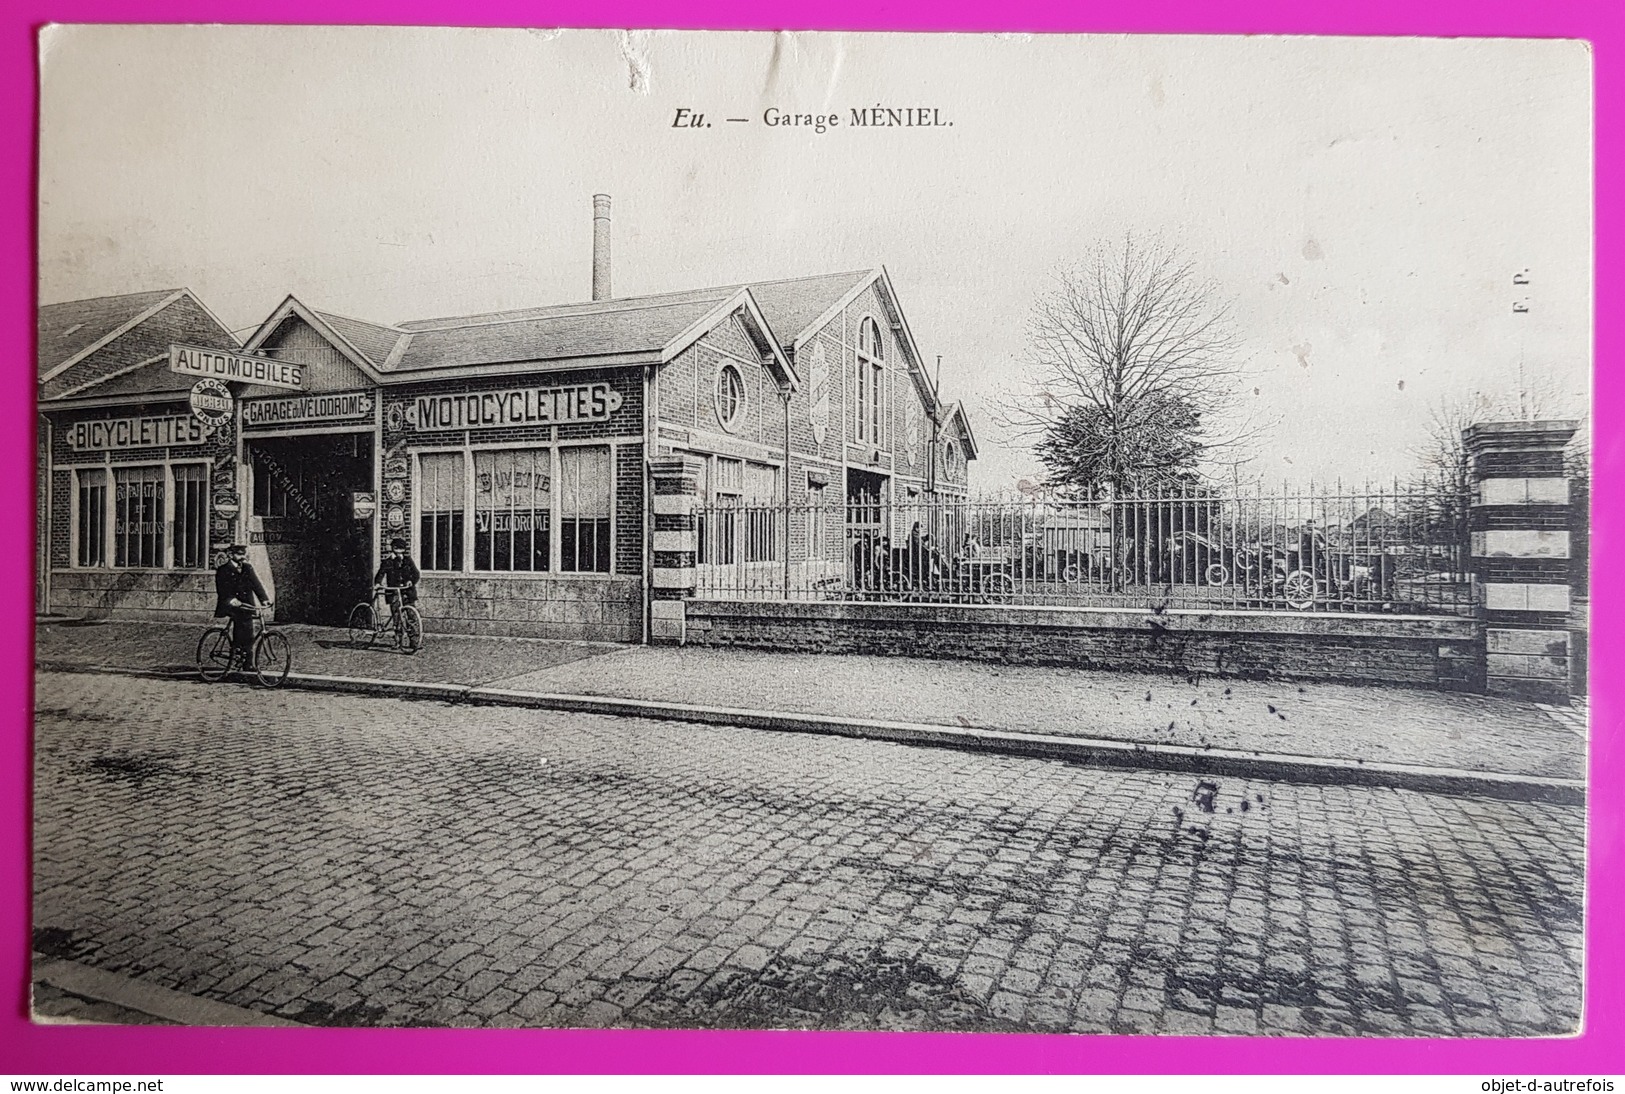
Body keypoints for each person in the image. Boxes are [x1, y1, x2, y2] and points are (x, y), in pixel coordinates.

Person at [215, 544, 272, 663]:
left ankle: (247, 661)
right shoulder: (223, 569)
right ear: (231, 555)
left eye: (243, 554)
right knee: (241, 626)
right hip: (231, 604)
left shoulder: (247, 568)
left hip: (246, 603)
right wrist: (230, 599)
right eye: (239, 554)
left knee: (249, 632)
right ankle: (237, 652)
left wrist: (264, 599)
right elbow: (222, 588)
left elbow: (256, 584)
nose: (242, 557)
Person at [373, 537, 421, 623]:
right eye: (397, 548)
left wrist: (411, 581)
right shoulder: (387, 562)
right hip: (393, 592)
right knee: (396, 615)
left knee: (411, 614)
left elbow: (416, 573)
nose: (399, 551)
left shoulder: (407, 560)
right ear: (393, 548)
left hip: (407, 591)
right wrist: (377, 583)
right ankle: (398, 634)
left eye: (401, 549)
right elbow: (380, 574)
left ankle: (414, 634)